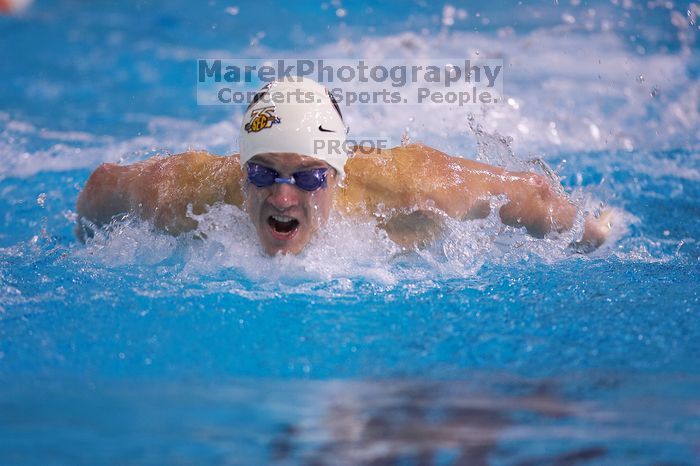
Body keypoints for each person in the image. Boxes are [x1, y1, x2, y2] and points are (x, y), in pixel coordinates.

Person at [76, 78, 613, 255]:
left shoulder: (413, 190)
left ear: (336, 176)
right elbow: (101, 189)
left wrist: (597, 234)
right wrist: (85, 247)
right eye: (263, 173)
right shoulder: (185, 193)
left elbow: (536, 196)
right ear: (240, 170)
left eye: (308, 177)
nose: (283, 197)